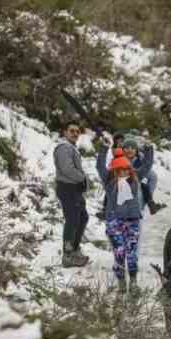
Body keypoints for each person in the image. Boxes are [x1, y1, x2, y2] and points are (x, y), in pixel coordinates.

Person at [96, 147, 150, 293]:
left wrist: (148, 150)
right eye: (120, 170)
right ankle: (121, 282)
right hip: (114, 222)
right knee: (119, 253)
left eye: (126, 169)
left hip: (132, 221)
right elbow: (100, 166)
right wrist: (103, 150)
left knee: (132, 253)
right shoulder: (109, 181)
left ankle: (133, 282)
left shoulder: (135, 178)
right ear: (115, 170)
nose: (123, 172)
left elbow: (147, 166)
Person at [53, 124, 90, 268]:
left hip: (74, 189)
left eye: (77, 131)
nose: (75, 133)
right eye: (71, 131)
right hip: (67, 188)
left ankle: (74, 249)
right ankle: (68, 255)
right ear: (65, 132)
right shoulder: (64, 147)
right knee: (73, 219)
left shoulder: (70, 147)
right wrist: (82, 178)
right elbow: (67, 168)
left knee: (82, 218)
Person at [122, 136, 166, 215]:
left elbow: (147, 164)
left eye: (132, 148)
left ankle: (150, 203)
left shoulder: (139, 157)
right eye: (127, 148)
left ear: (136, 150)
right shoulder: (119, 159)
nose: (129, 150)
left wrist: (148, 149)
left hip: (136, 179)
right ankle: (105, 209)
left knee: (145, 185)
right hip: (122, 182)